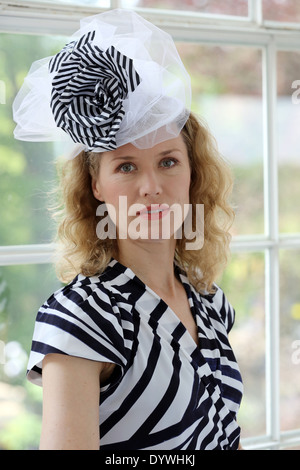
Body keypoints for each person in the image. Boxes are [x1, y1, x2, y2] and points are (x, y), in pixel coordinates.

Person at [13, 9, 243, 450]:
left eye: (168, 161)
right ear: (96, 185)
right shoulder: (80, 319)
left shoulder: (209, 301)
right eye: (126, 166)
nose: (151, 187)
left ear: (193, 173)